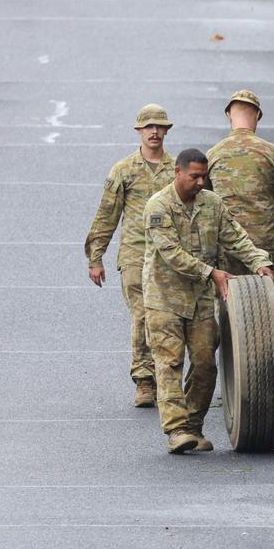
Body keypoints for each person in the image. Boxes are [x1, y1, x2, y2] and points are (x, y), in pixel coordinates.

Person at [142, 149, 274, 454]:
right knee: (169, 364)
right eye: (194, 176)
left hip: (200, 301)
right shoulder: (158, 207)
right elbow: (171, 254)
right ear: (177, 172)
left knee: (205, 364)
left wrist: (258, 261)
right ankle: (176, 430)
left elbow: (235, 237)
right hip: (164, 299)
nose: (201, 182)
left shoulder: (212, 204)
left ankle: (193, 425)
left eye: (204, 176)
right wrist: (211, 272)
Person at [206, 89, 274, 394]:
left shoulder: (213, 154)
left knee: (221, 304)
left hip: (225, 247)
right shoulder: (271, 153)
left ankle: (207, 374)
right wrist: (267, 211)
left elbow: (202, 202)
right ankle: (273, 371)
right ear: (258, 117)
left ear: (228, 115)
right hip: (264, 246)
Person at [84, 104, 176, 408]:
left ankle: (168, 378)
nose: (154, 131)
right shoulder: (123, 170)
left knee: (169, 318)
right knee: (142, 314)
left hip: (170, 255)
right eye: (148, 126)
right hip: (135, 254)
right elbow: (107, 214)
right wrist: (96, 257)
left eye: (159, 126)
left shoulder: (176, 170)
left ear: (166, 131)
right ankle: (144, 379)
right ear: (139, 131)